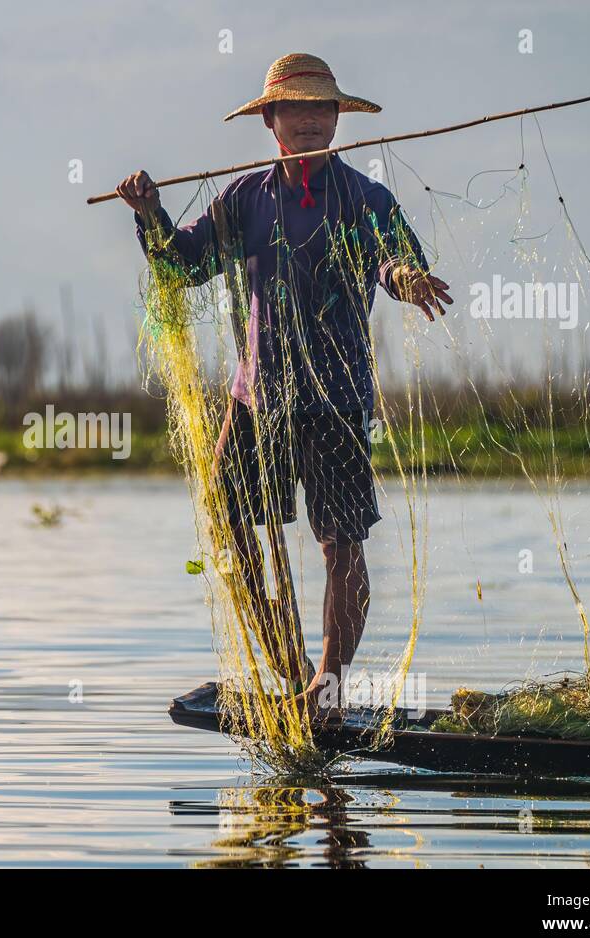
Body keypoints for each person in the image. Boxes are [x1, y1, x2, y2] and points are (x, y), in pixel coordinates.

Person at [117, 53, 452, 715]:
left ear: (336, 118)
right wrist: (149, 214)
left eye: (320, 109)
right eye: (294, 109)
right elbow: (183, 266)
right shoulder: (244, 200)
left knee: (341, 542)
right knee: (227, 517)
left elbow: (393, 260)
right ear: (270, 120)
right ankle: (286, 660)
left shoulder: (365, 198)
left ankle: (327, 686)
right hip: (257, 397)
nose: (308, 120)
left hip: (335, 396)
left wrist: (407, 280)